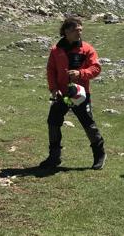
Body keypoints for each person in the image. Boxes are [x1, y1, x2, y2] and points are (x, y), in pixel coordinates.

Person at [40, 16, 106, 170]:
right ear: (66, 31)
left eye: (81, 30)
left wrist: (81, 73)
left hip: (79, 94)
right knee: (53, 122)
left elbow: (96, 68)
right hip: (62, 94)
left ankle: (99, 154)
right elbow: (51, 70)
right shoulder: (56, 50)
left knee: (88, 124)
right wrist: (53, 88)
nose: (79, 33)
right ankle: (54, 157)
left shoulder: (87, 48)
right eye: (76, 30)